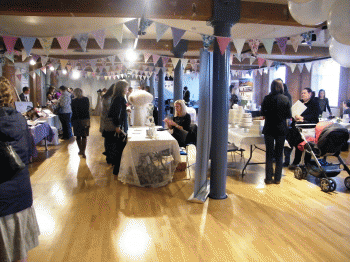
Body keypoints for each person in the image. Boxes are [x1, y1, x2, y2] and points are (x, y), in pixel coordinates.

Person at [0, 76, 40, 262]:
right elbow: (30, 153)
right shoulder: (19, 120)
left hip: (3, 199)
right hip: (21, 193)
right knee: (19, 251)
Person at [261, 79, 292, 184]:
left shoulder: (267, 98)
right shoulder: (285, 99)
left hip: (269, 128)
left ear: (272, 86)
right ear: (281, 87)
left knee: (269, 154)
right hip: (281, 128)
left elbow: (262, 113)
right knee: (279, 154)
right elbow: (289, 115)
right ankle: (278, 178)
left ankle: (268, 178)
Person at [289, 87, 320, 169]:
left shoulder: (314, 103)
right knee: (298, 145)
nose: (302, 94)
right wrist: (295, 117)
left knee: (307, 146)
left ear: (310, 94)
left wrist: (302, 118)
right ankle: (296, 162)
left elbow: (314, 116)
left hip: (308, 127)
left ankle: (307, 163)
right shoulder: (300, 102)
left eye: (304, 93)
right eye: (302, 93)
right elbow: (293, 113)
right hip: (297, 127)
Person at [108, 80, 129, 175]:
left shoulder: (117, 97)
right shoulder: (119, 98)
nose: (127, 90)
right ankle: (117, 170)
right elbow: (114, 113)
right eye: (126, 87)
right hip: (119, 126)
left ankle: (118, 169)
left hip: (120, 124)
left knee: (119, 147)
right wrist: (117, 126)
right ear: (122, 88)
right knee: (119, 148)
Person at [100, 84, 117, 164]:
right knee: (110, 140)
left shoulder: (107, 97)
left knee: (109, 139)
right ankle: (110, 157)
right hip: (109, 122)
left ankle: (109, 156)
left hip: (107, 121)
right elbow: (111, 111)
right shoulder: (109, 98)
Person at [71, 88, 90, 158]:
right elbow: (88, 109)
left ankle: (80, 150)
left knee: (78, 136)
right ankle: (83, 151)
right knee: (84, 135)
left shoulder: (73, 101)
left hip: (76, 119)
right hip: (85, 119)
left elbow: (73, 110)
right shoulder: (86, 99)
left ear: (75, 93)